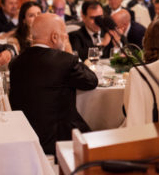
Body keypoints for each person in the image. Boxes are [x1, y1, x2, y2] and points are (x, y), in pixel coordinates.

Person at [9, 13, 98, 154]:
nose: (66, 37)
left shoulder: (15, 63)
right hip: (60, 141)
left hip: (25, 141)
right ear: (54, 37)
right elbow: (91, 81)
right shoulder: (64, 61)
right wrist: (69, 53)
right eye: (64, 34)